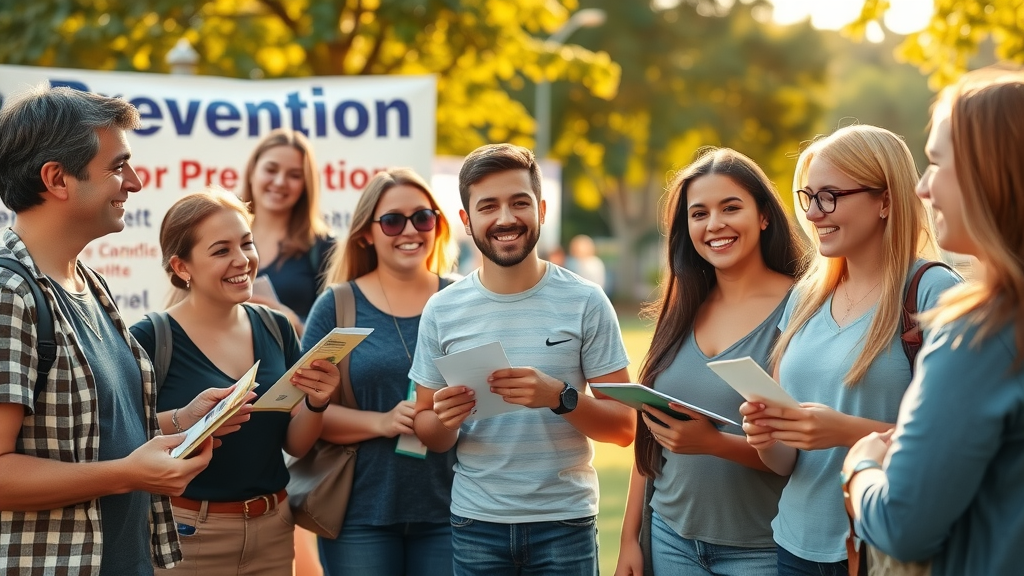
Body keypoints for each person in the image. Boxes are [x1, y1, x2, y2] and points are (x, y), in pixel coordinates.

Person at [0, 86, 236, 575]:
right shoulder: (9, 293)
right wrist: (128, 476)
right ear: (56, 179)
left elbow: (93, 433)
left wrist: (183, 423)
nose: (134, 181)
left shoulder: (89, 282)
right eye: (117, 166)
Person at [740, 125, 961, 576]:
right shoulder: (806, 297)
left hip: (881, 549)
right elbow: (787, 461)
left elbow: (955, 444)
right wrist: (765, 436)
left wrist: (843, 431)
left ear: (885, 200)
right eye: (809, 196)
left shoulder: (935, 292)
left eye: (831, 196)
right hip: (794, 547)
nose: (815, 213)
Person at [410, 143, 635, 576]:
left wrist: (560, 397)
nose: (505, 218)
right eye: (488, 206)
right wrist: (445, 419)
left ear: (542, 210)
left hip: (564, 523)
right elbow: (427, 432)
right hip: (476, 524)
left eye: (519, 202)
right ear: (466, 220)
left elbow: (624, 428)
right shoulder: (442, 309)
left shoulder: (586, 301)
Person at [842, 67, 1024, 576]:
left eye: (936, 162)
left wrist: (860, 468)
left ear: (991, 174)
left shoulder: (983, 330)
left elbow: (904, 524)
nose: (922, 188)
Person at [614, 148, 808, 576]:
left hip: (760, 549)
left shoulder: (804, 307)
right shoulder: (684, 307)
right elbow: (653, 437)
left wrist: (713, 443)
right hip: (670, 538)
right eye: (698, 213)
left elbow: (799, 449)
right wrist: (630, 538)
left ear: (764, 216)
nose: (714, 224)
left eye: (730, 207)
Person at [130, 188, 341, 575]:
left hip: (274, 530)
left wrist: (317, 402)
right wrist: (186, 420)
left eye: (246, 243)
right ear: (181, 267)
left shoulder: (276, 327)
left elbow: (293, 442)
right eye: (221, 250)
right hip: (187, 535)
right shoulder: (149, 338)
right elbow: (124, 438)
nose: (242, 260)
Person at [302, 168, 459, 575]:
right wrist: (383, 421)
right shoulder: (337, 306)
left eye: (422, 217)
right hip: (360, 513)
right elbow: (307, 414)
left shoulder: (463, 300)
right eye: (392, 220)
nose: (410, 230)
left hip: (453, 509)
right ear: (366, 234)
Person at [239, 128, 336, 336]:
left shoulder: (324, 247)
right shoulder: (221, 236)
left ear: (306, 184)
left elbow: (338, 331)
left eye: (294, 175)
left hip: (292, 365)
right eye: (271, 170)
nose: (280, 181)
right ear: (252, 172)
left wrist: (291, 322)